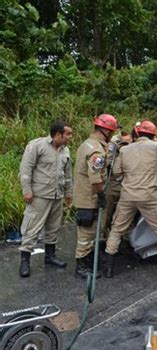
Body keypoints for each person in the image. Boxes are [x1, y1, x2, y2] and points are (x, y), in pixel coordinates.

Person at [103, 120, 157, 278]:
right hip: (148, 196)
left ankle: (109, 267)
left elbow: (116, 172)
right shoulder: (155, 146)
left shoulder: (125, 150)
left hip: (128, 195)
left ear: (136, 133)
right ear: (153, 135)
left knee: (117, 229)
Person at [18, 121, 73, 277]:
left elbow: (67, 173)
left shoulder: (65, 150)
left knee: (53, 227)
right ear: (58, 134)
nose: (70, 137)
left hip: (57, 195)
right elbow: (26, 168)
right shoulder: (37, 146)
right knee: (32, 227)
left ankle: (50, 257)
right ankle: (25, 261)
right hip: (39, 195)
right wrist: (27, 190)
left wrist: (69, 192)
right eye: (68, 134)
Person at [73, 113, 118, 278]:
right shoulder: (96, 151)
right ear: (106, 131)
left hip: (84, 195)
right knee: (87, 233)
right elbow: (95, 178)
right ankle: (81, 266)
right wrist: (100, 195)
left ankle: (87, 261)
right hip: (89, 198)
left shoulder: (88, 144)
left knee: (90, 231)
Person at [102, 131, 133, 241]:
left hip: (127, 185)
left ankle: (121, 238)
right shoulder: (114, 144)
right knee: (107, 213)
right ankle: (104, 235)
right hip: (113, 183)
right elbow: (106, 162)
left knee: (124, 214)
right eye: (127, 141)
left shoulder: (134, 146)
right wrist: (115, 149)